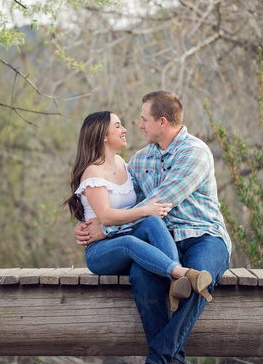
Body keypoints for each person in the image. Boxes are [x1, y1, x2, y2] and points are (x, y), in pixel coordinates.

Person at [74, 92, 231, 364]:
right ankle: (176, 360)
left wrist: (103, 229)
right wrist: (89, 225)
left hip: (204, 236)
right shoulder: (140, 159)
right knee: (141, 274)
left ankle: (155, 362)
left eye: (144, 119)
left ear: (162, 121)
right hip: (164, 243)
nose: (139, 125)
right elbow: (120, 203)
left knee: (201, 276)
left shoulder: (194, 152)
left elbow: (158, 206)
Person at [64, 110, 214, 314]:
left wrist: (147, 211)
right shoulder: (93, 172)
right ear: (103, 135)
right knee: (131, 241)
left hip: (125, 237)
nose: (124, 129)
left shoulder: (124, 166)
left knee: (153, 222)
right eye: (117, 126)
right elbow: (106, 217)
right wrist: (144, 210)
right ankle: (183, 274)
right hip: (101, 251)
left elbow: (144, 198)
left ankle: (175, 283)